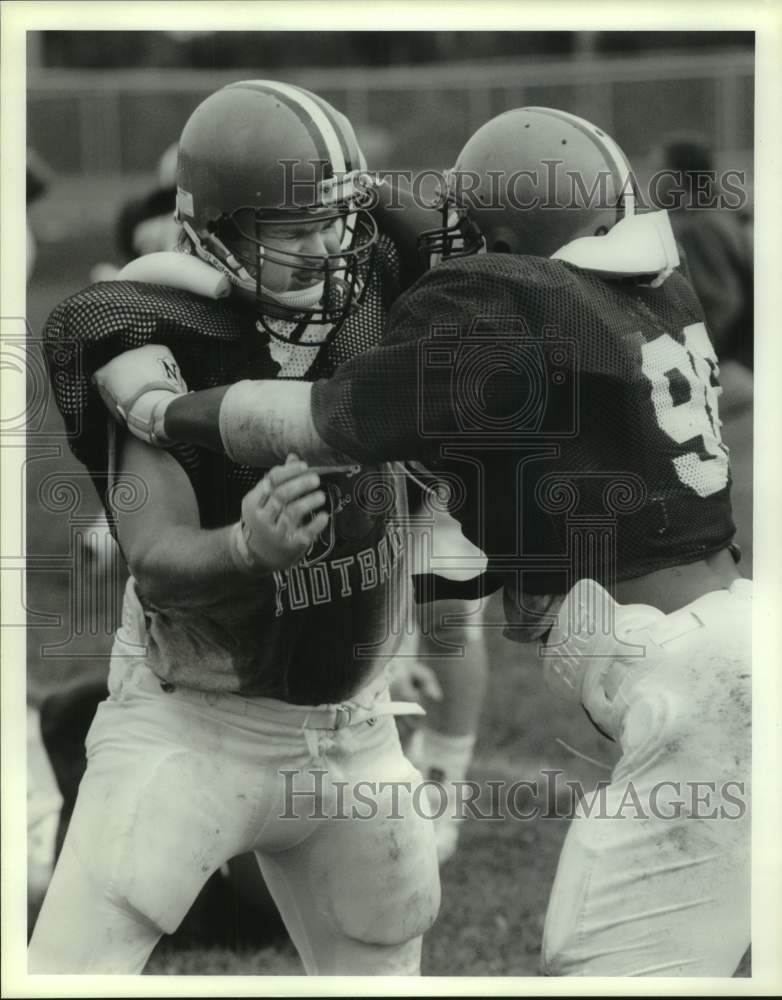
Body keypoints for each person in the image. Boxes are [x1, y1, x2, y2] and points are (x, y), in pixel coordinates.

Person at [98, 106, 751, 977]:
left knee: (605, 969)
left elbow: (315, 422)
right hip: (739, 643)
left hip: (694, 695)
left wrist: (163, 409)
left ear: (503, 243)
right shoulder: (646, 285)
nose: (449, 246)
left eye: (468, 231)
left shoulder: (506, 300)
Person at [31, 80, 442, 975]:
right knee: (73, 971)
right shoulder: (150, 332)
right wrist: (246, 547)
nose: (328, 247)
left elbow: (451, 243)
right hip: (195, 721)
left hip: (352, 720)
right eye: (295, 226)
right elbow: (155, 557)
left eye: (336, 220)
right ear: (217, 228)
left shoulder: (375, 279)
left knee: (385, 961)